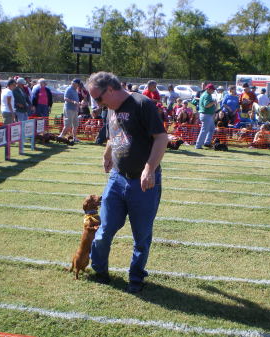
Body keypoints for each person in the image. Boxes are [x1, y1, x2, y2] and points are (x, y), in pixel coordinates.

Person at [87, 71, 168, 293]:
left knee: (141, 235)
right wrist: (106, 154)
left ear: (110, 90)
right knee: (103, 231)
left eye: (99, 99)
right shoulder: (111, 109)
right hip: (117, 178)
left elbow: (161, 138)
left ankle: (136, 277)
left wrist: (149, 169)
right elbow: (115, 136)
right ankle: (100, 270)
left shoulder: (143, 104)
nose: (98, 104)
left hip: (143, 183)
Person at [195, 83, 217, 149]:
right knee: (204, 131)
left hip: (207, 115)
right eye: (212, 90)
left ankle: (207, 143)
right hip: (206, 115)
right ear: (208, 89)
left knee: (211, 129)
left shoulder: (206, 94)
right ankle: (198, 145)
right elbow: (206, 105)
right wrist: (214, 102)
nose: (213, 91)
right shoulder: (207, 95)